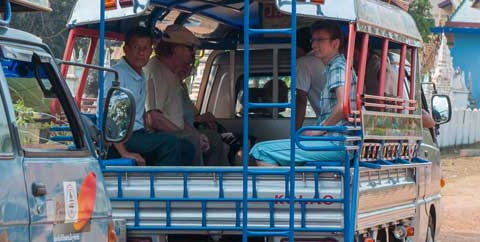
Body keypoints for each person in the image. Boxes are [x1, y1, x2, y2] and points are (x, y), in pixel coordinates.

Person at [250, 20, 356, 165]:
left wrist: (319, 130)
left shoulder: (338, 67)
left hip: (336, 142)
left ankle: (284, 188)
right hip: (336, 141)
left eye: (320, 40)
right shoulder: (335, 67)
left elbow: (343, 104)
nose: (313, 45)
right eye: (313, 40)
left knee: (260, 151)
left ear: (335, 43)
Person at [108, 27, 195, 166]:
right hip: (122, 139)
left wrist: (149, 132)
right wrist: (124, 153)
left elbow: (140, 110)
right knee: (169, 143)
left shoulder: (139, 74)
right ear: (126, 49)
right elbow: (110, 119)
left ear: (151, 51)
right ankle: (163, 185)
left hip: (139, 133)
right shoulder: (118, 75)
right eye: (137, 48)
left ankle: (181, 185)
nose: (141, 53)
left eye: (146, 48)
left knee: (187, 147)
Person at [144, 25, 225, 165]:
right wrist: (189, 135)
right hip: (160, 136)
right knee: (192, 142)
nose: (192, 53)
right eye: (190, 48)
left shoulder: (171, 74)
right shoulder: (154, 71)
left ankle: (213, 181)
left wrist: (195, 133)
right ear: (175, 49)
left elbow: (178, 117)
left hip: (174, 131)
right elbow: (154, 119)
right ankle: (197, 183)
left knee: (213, 139)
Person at [293, 29, 326, 129]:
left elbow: (301, 100)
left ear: (297, 48)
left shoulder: (302, 63)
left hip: (329, 121)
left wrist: (295, 132)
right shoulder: (328, 58)